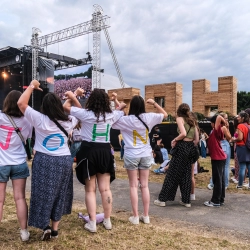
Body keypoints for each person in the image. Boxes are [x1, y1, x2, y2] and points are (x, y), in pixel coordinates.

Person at [17, 80, 78, 240]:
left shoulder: (39, 118)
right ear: (59, 106)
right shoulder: (69, 121)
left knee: (42, 194)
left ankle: (44, 226)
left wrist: (31, 86)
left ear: (44, 106)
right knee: (59, 194)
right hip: (64, 160)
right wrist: (72, 98)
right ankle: (55, 229)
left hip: (44, 160)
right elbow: (80, 112)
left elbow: (21, 103)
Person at [63, 89, 126, 233]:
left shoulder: (85, 114)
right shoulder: (111, 115)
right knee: (105, 189)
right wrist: (118, 104)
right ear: (105, 101)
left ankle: (92, 223)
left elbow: (65, 107)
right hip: (105, 151)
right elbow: (122, 110)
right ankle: (107, 220)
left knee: (90, 190)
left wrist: (73, 96)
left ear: (91, 100)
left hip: (88, 151)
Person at [112, 95, 167, 224]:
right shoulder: (149, 117)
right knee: (145, 185)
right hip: (146, 154)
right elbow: (164, 114)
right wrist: (154, 103)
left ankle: (135, 216)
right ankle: (146, 215)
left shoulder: (126, 120)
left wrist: (120, 107)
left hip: (131, 154)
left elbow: (112, 121)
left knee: (133, 185)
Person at [0, 90, 32, 241]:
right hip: (19, 162)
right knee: (20, 198)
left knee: (0, 200)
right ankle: (24, 232)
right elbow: (27, 140)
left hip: (1, 164)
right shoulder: (27, 121)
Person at [154, 103, 199, 208]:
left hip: (182, 147)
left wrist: (175, 140)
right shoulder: (193, 121)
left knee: (172, 173)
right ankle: (186, 200)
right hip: (190, 148)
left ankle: (162, 199)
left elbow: (183, 133)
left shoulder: (180, 119)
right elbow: (196, 140)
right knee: (186, 175)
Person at [204, 115, 227, 207]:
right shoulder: (216, 131)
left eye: (211, 122)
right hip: (219, 157)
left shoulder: (217, 130)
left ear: (215, 124)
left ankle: (215, 201)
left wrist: (224, 122)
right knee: (220, 179)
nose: (210, 124)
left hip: (218, 158)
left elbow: (218, 117)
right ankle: (220, 199)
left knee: (217, 180)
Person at [207, 113, 232, 190]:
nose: (226, 120)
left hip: (219, 148)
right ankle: (225, 184)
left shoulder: (216, 130)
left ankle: (212, 183)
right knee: (226, 167)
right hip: (226, 147)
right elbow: (230, 138)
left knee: (217, 168)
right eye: (225, 118)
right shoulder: (225, 128)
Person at [232, 111, 250, 189]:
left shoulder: (240, 126)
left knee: (242, 166)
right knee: (249, 166)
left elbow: (240, 138)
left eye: (239, 116)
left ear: (242, 118)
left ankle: (240, 185)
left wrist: (233, 139)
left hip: (242, 147)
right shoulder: (249, 125)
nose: (237, 118)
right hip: (248, 147)